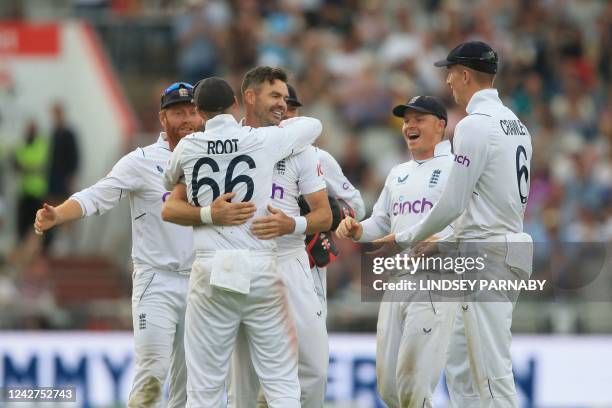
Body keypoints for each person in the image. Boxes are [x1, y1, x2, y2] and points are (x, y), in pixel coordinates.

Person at [33, 82, 255, 407]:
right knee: (153, 370)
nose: (188, 119)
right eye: (178, 113)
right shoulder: (141, 161)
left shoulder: (217, 156)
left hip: (205, 280)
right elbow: (98, 195)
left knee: (193, 381)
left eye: (193, 111)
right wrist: (59, 215)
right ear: (162, 118)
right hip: (157, 280)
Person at [376, 41, 533, 408]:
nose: (448, 82)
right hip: (492, 246)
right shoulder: (516, 124)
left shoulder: (474, 126)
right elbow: (490, 201)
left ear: (464, 74)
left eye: (450, 73)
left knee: (491, 376)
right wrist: (446, 243)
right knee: (462, 371)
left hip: (486, 254)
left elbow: (454, 203)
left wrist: (408, 236)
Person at [162, 73, 322, 408]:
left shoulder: (190, 145)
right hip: (261, 263)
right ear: (235, 103)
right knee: (281, 381)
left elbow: (169, 176)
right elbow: (313, 125)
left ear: (198, 109)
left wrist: (206, 204)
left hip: (212, 265)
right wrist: (278, 129)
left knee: (205, 386)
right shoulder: (261, 140)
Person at [336, 96, 456, 407]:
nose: (410, 126)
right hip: (397, 280)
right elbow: (381, 220)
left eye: (419, 119)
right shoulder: (398, 172)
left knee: (412, 383)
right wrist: (358, 230)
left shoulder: (456, 168)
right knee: (389, 388)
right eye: (407, 120)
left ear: (440, 125)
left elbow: (472, 220)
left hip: (435, 280)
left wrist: (442, 240)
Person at [282, 85, 366, 315]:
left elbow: (357, 205)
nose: (288, 114)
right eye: (282, 109)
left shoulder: (318, 157)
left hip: (308, 256)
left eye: (293, 109)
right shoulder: (256, 155)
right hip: (266, 259)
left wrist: (329, 215)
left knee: (310, 336)